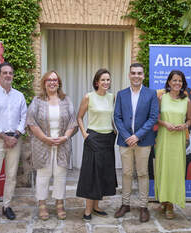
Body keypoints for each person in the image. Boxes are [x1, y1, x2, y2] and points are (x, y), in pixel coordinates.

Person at [26, 71, 77, 221]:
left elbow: (73, 122)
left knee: (60, 174)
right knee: (43, 175)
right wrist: (45, 138)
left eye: (55, 80)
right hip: (42, 144)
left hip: (62, 144)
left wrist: (65, 137)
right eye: (49, 80)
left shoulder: (66, 100)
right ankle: (42, 204)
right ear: (44, 83)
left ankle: (59, 203)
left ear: (59, 83)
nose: (52, 82)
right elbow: (31, 121)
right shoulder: (37, 101)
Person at [0, 62, 27, 227]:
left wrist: (15, 136)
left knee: (11, 176)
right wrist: (4, 137)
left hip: (15, 140)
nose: (8, 75)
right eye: (5, 73)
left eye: (11, 73)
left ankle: (6, 206)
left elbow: (24, 118)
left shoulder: (19, 96)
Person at [114, 63, 158, 222]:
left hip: (144, 141)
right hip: (125, 141)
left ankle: (143, 206)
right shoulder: (121, 94)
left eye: (139, 73)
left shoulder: (151, 94)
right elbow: (117, 117)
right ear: (129, 75)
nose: (136, 76)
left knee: (142, 173)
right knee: (126, 173)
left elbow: (153, 117)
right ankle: (125, 204)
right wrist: (127, 136)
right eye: (133, 73)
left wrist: (137, 135)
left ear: (143, 76)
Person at [76, 68, 117, 221]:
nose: (106, 82)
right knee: (91, 174)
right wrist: (85, 135)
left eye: (108, 79)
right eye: (103, 80)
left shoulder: (112, 97)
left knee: (102, 173)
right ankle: (87, 209)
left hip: (108, 139)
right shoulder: (89, 97)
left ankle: (96, 206)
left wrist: (114, 130)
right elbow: (79, 117)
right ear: (97, 82)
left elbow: (112, 117)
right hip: (93, 138)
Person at [154, 70, 191, 219]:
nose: (177, 83)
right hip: (164, 137)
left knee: (175, 170)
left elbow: (189, 120)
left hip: (178, 140)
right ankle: (163, 199)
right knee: (163, 168)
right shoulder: (161, 98)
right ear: (169, 82)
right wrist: (164, 123)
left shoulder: (186, 101)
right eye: (174, 80)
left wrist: (184, 126)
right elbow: (154, 117)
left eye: (180, 81)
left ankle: (171, 204)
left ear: (183, 84)